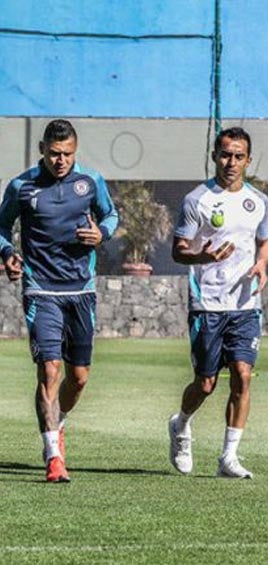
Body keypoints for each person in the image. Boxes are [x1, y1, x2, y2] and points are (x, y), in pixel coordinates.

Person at [0, 119, 119, 483]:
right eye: (53, 153)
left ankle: (57, 422)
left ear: (75, 152)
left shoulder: (90, 182)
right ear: (42, 150)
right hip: (40, 288)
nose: (60, 160)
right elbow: (1, 226)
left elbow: (110, 215)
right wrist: (8, 253)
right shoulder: (22, 185)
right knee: (50, 368)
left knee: (78, 378)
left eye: (66, 154)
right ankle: (53, 455)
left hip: (81, 289)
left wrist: (101, 233)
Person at [168, 126, 268, 479]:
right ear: (214, 156)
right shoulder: (197, 200)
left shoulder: (258, 201)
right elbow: (178, 251)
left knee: (242, 376)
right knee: (206, 383)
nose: (231, 162)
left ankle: (228, 458)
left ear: (248, 160)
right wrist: (201, 256)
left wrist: (261, 263)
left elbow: (262, 240)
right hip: (207, 303)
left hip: (245, 304)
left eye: (238, 156)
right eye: (225, 154)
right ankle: (180, 425)